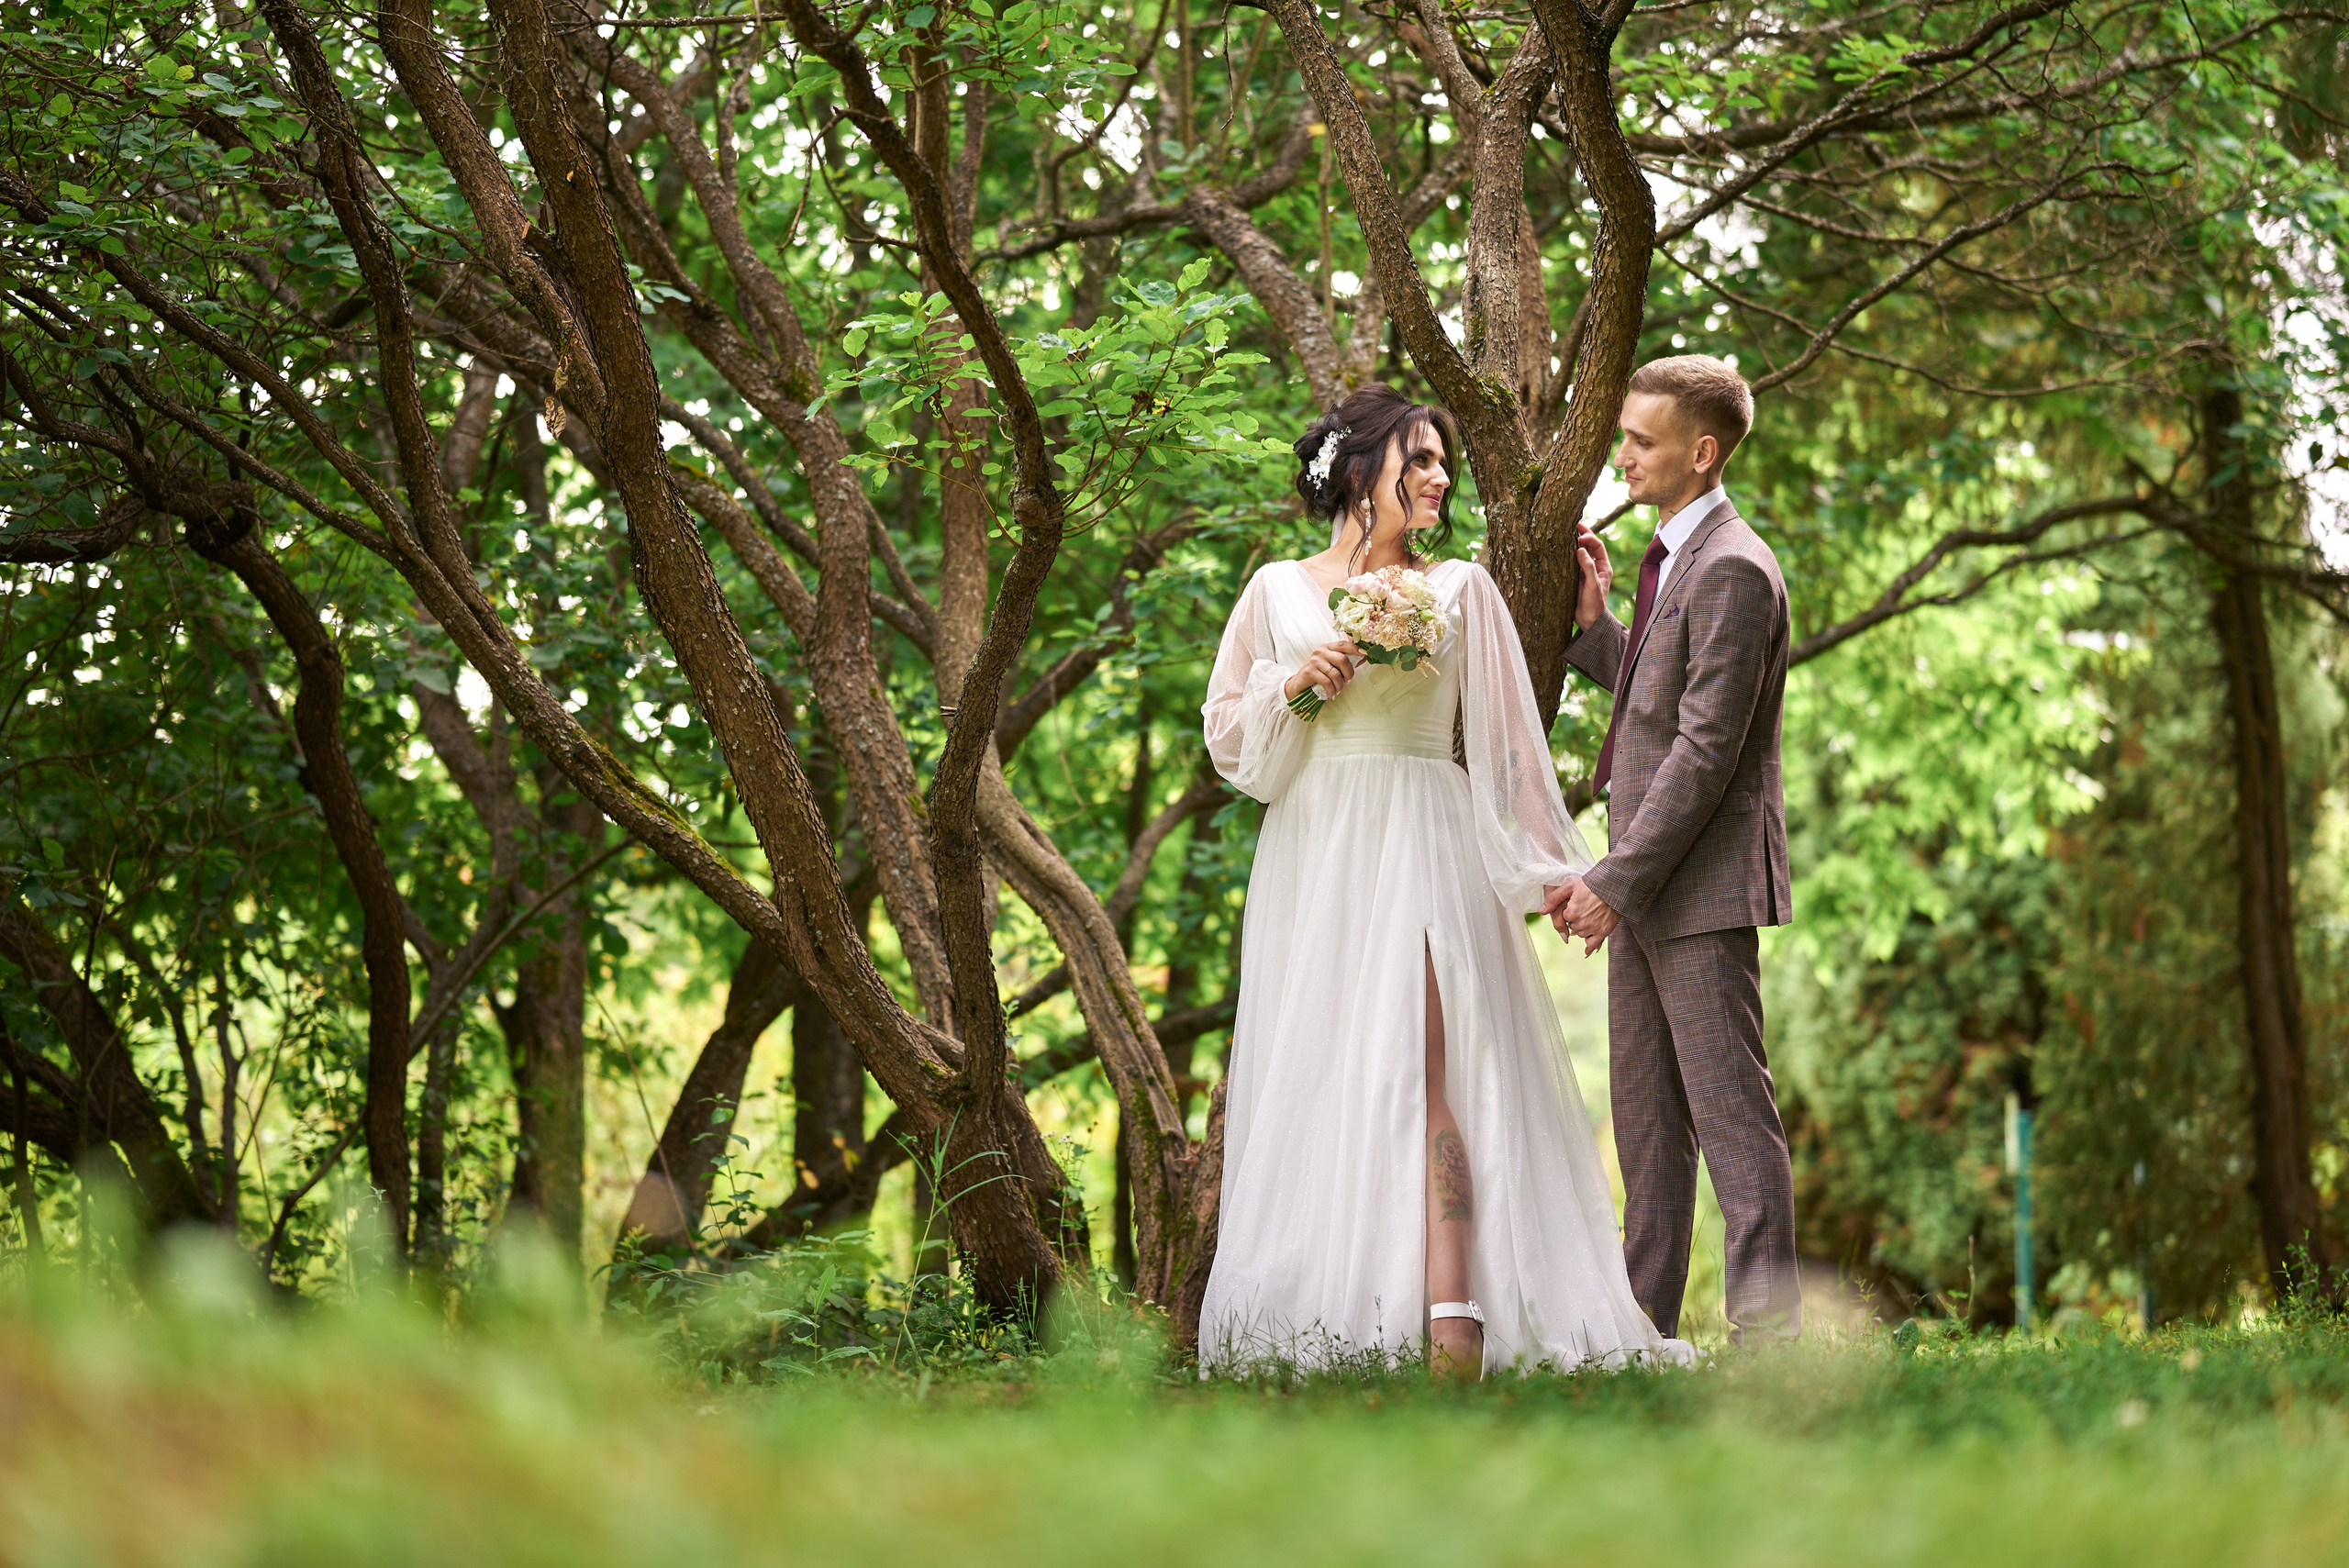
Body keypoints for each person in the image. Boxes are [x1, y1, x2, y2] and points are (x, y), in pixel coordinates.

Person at [1197, 382, 1692, 1378]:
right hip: (1315, 852)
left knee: (1432, 1067)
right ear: (1356, 467)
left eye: (1440, 462)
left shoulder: (1461, 587)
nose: (1435, 477)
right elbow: (1232, 746)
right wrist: (1296, 688)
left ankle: (1454, 1314)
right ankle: (1328, 1309)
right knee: (1328, 1072)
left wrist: (1555, 873)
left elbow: (1510, 753)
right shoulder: (1273, 593)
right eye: (1416, 458)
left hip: (1424, 842)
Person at [1550, 354, 1802, 1344]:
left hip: (1693, 886)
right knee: (1648, 1125)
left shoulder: (1734, 565)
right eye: (1623, 435)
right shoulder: (1673, 556)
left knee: (1733, 1122)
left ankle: (1768, 1340)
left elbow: (1705, 750)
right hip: (1649, 881)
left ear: (1700, 453)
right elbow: (1659, 701)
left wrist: (1611, 880)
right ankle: (1639, 1328)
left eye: (1640, 441)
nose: (1621, 456)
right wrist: (1595, 627)